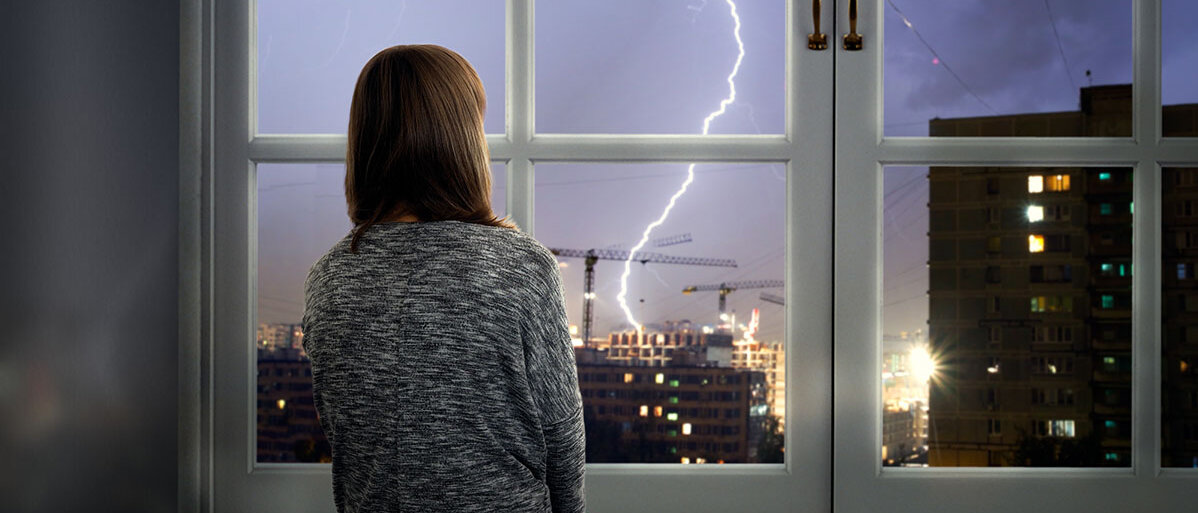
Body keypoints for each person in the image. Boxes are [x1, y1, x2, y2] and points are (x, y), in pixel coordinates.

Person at [302, 44, 585, 513]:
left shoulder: (328, 277)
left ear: (364, 141)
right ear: (464, 141)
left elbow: (344, 433)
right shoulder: (521, 266)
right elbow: (561, 432)